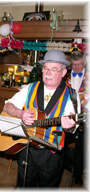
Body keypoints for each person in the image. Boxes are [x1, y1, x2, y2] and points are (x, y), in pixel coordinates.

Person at [3, 50, 81, 188]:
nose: (48, 73)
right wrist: (20, 113)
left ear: (63, 73)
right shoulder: (30, 87)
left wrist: (68, 126)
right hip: (26, 148)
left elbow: (72, 128)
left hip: (51, 153)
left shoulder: (72, 95)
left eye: (54, 69)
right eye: (46, 68)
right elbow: (7, 106)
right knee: (24, 185)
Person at [65, 50, 89, 185]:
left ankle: (78, 173)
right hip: (69, 114)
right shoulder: (66, 77)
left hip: (85, 116)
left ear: (84, 61)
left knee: (81, 146)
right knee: (64, 141)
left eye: (79, 64)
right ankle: (63, 165)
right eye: (74, 65)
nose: (77, 68)